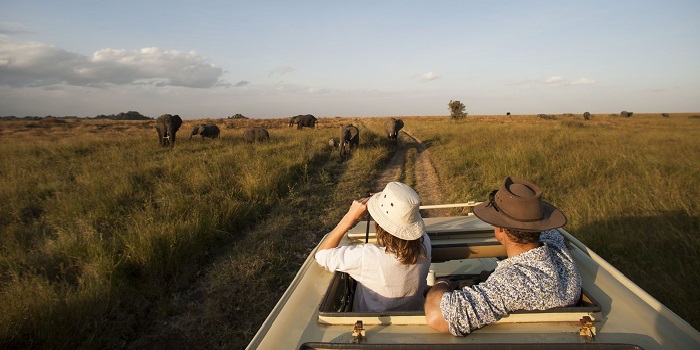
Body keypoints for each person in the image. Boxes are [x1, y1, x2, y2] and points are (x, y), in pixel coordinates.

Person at [425, 177, 581, 336]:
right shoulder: (558, 251)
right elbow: (551, 232)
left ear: (499, 229)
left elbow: (437, 317)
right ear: (539, 227)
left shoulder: (513, 282)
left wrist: (442, 282)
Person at [315, 182, 432, 312]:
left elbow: (321, 255)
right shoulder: (424, 243)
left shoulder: (368, 257)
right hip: (413, 314)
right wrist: (386, 204)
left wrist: (349, 218)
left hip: (369, 323)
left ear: (380, 225)